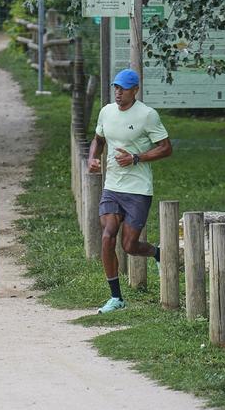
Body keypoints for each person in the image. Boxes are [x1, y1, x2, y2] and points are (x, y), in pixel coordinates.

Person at [88, 69, 172, 314]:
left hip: (138, 189)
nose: (118, 92)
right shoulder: (106, 111)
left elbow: (166, 148)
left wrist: (137, 157)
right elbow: (99, 140)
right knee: (107, 234)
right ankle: (116, 298)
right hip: (112, 186)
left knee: (129, 246)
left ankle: (157, 253)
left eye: (123, 88)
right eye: (115, 87)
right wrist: (92, 158)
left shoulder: (147, 115)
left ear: (135, 90)